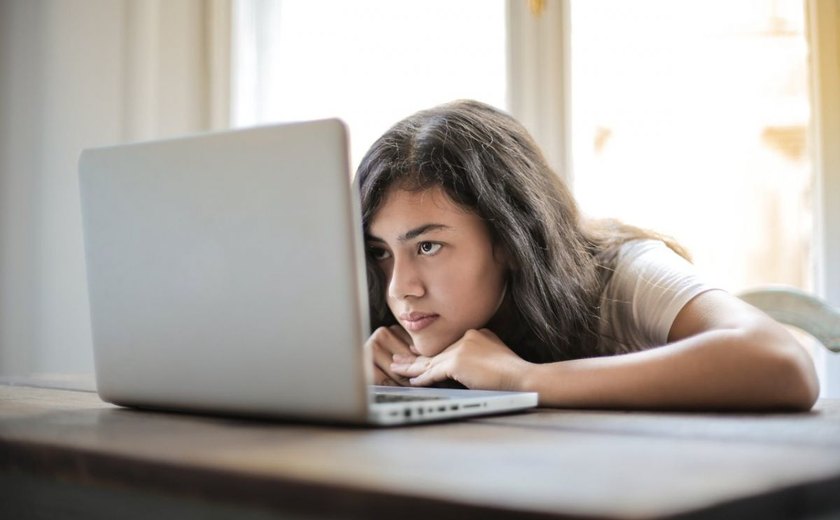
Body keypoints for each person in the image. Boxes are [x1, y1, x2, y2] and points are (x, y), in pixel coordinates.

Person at [357, 99, 819, 411]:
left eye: (428, 246)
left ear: (512, 238)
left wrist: (522, 380)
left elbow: (781, 362)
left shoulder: (624, 272)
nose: (401, 288)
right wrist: (349, 383)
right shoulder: (391, 320)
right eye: (381, 251)